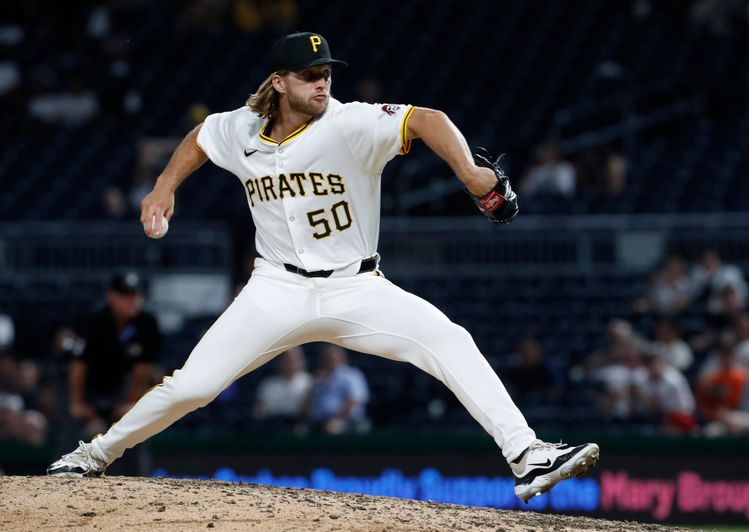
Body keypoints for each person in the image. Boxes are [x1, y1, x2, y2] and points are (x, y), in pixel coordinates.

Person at [47, 32, 598, 501]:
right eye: (310, 74)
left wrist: (473, 176)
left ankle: (528, 457)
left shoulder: (350, 123)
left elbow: (428, 120)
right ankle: (92, 455)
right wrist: (164, 186)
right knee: (193, 386)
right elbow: (200, 137)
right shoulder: (241, 128)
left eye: (327, 73)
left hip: (357, 287)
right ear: (279, 81)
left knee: (449, 339)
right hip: (274, 288)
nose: (322, 83)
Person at [58, 271, 162, 438]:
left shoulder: (147, 323)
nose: (133, 301)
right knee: (83, 435)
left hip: (120, 385)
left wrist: (132, 402)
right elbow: (78, 365)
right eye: (126, 296)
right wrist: (78, 403)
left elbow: (143, 368)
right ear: (111, 296)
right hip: (87, 385)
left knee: (132, 429)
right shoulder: (93, 321)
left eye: (136, 295)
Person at [303, 344, 369, 434]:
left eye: (332, 356)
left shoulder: (352, 375)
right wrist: (314, 384)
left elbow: (354, 400)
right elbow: (309, 403)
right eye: (327, 357)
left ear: (341, 357)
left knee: (332, 428)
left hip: (346, 420)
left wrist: (337, 418)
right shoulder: (318, 377)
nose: (330, 359)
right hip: (317, 421)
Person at [252, 347, 311, 421]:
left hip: (299, 425)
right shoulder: (268, 384)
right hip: (272, 425)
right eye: (286, 359)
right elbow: (259, 411)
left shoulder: (309, 382)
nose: (290, 363)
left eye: (294, 359)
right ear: (280, 361)